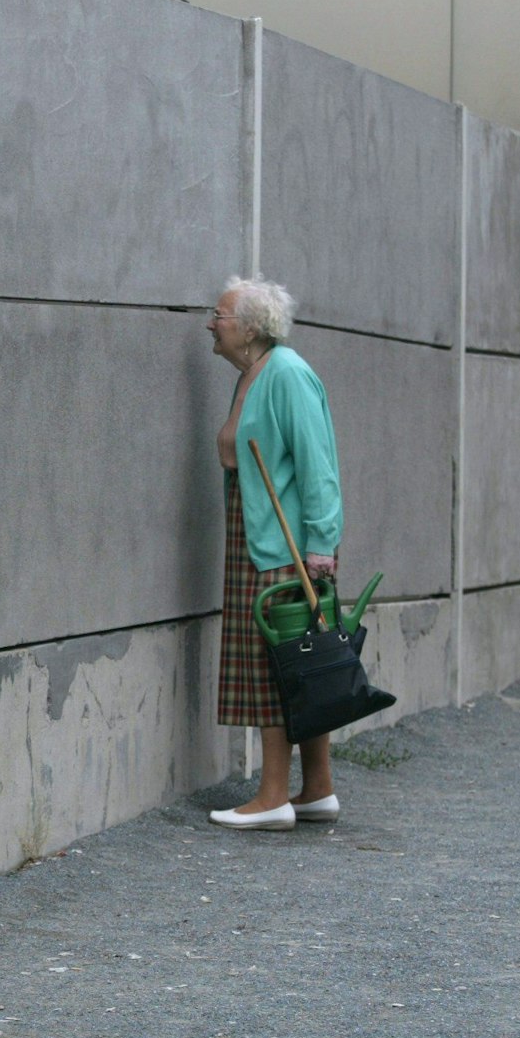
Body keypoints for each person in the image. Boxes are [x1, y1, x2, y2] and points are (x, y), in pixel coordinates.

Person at [205, 276, 344, 830]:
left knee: (278, 666)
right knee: (303, 662)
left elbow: (319, 462)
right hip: (260, 536)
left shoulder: (286, 373)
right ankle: (316, 789)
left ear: (249, 327)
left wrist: (321, 544)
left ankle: (271, 798)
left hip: (283, 548)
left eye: (218, 315)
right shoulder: (252, 376)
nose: (210, 325)